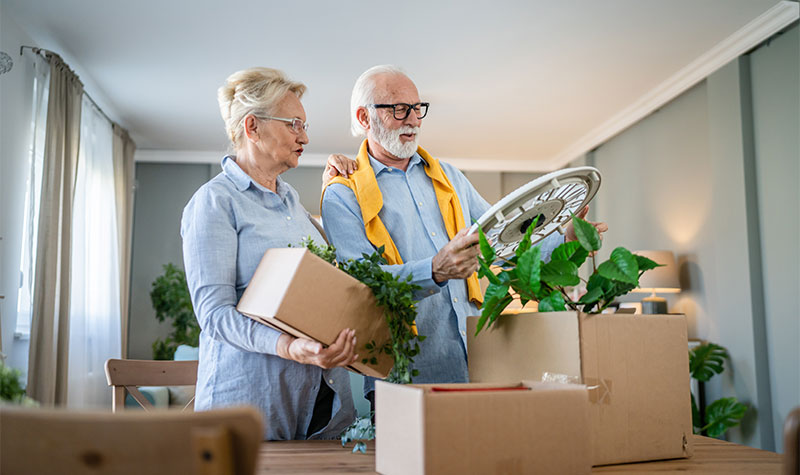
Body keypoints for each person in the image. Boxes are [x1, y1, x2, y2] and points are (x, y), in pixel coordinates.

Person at [321, 65, 607, 405]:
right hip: (403, 376)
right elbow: (359, 287)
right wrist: (434, 270)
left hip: (478, 364)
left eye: (417, 108)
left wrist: (566, 241)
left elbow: (504, 241)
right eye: (399, 109)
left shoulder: (451, 177)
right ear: (364, 118)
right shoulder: (343, 194)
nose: (413, 120)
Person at [181, 67, 358, 440]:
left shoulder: (293, 202)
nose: (305, 136)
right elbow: (215, 316)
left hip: (319, 411)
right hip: (249, 411)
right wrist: (290, 348)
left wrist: (339, 187)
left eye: (304, 125)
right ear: (253, 127)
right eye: (294, 124)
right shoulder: (214, 203)